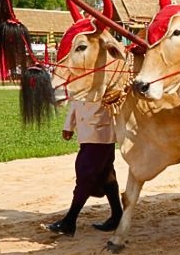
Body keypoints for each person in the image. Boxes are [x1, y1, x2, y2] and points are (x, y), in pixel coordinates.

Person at [45, 101, 122, 237]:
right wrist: (69, 125)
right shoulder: (80, 80)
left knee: (86, 174)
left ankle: (69, 222)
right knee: (106, 173)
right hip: (89, 131)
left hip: (100, 131)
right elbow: (76, 99)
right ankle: (117, 216)